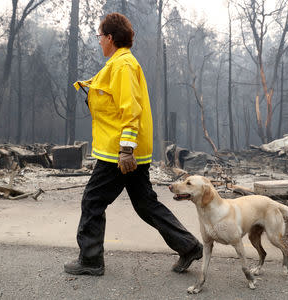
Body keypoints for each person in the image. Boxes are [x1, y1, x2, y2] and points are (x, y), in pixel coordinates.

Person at [64, 12, 202, 276]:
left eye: (100, 36)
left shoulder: (123, 66)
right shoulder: (118, 64)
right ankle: (189, 246)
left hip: (119, 153)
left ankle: (91, 261)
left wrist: (126, 150)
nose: (99, 41)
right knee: (145, 203)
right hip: (126, 151)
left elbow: (131, 109)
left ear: (110, 38)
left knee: (93, 200)